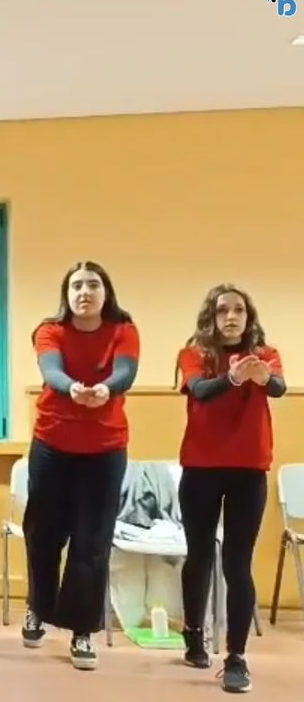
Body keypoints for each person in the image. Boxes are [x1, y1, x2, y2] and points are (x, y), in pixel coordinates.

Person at [22, 260, 139, 671]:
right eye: (76, 286)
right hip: (53, 446)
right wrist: (72, 388)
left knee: (91, 542)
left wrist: (106, 389)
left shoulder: (123, 330)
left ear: (106, 293)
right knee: (43, 534)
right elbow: (51, 369)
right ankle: (38, 608)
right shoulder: (49, 330)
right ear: (66, 294)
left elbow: (125, 371)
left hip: (104, 451)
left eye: (93, 285)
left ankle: (82, 630)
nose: (84, 292)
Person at [174, 284, 286, 693]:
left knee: (237, 565)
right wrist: (234, 377)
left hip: (248, 470)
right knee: (199, 555)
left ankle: (236, 657)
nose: (231, 317)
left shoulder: (265, 354)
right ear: (213, 317)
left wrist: (264, 376)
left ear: (248, 316)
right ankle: (193, 631)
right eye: (223, 310)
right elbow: (201, 391)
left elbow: (278, 388)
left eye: (239, 310)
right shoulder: (194, 354)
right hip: (200, 469)